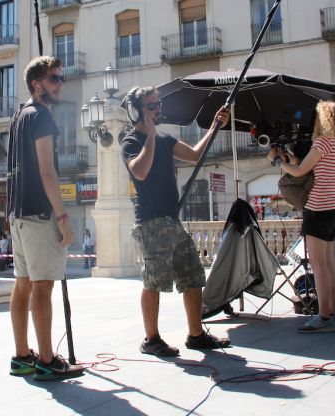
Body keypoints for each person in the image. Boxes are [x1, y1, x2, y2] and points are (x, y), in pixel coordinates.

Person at [121, 85, 230, 356]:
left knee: (193, 276)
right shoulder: (131, 141)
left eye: (159, 104)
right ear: (137, 112)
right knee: (154, 282)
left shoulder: (166, 139)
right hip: (151, 223)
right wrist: (150, 137)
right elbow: (140, 172)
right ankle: (151, 339)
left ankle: (195, 334)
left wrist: (215, 127)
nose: (159, 109)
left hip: (172, 220)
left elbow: (194, 156)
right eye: (152, 106)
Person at [7, 56, 84, 381]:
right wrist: (63, 217)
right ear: (37, 84)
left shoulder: (19, 116)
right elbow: (47, 170)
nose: (60, 84)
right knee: (42, 285)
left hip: (18, 215)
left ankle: (23, 356)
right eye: (54, 79)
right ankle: (48, 360)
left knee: (23, 283)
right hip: (39, 214)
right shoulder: (41, 117)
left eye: (61, 78)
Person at [268, 101, 335, 333]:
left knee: (319, 266)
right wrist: (288, 158)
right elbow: (309, 165)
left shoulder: (322, 142)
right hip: (333, 207)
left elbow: (299, 172)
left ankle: (324, 316)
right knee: (328, 263)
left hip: (317, 208)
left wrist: (277, 161)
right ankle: (331, 313)